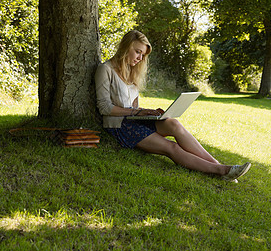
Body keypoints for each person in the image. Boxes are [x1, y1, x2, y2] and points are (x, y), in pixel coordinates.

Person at [95, 30, 251, 182]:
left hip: (134, 120)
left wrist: (147, 112)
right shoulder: (105, 70)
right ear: (125, 47)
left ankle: (220, 166)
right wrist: (136, 112)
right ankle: (222, 170)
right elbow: (104, 107)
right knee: (172, 148)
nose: (140, 58)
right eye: (137, 52)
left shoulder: (131, 71)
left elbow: (133, 106)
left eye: (143, 55)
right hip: (119, 126)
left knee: (173, 123)